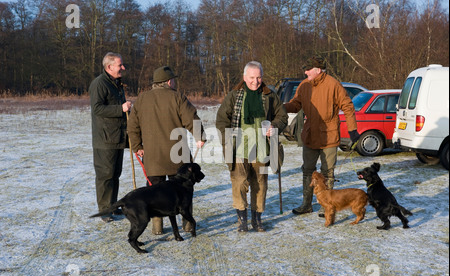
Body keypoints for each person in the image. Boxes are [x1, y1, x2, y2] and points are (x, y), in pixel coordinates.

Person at [127, 66, 206, 235]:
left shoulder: (141, 99)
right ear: (169, 81)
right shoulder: (177, 97)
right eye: (174, 79)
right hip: (178, 156)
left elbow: (132, 125)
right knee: (184, 190)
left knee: (154, 193)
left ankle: (157, 228)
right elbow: (191, 118)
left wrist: (137, 146)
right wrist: (200, 136)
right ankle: (188, 225)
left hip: (153, 157)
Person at [216, 61, 288, 232]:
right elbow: (221, 120)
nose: (255, 81)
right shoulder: (234, 96)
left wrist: (274, 127)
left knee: (260, 184)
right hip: (238, 149)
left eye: (259, 77)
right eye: (252, 78)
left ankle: (257, 219)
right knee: (239, 183)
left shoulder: (270, 95)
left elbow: (282, 116)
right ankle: (242, 220)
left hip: (261, 149)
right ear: (244, 77)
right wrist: (229, 139)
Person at [284, 56, 360, 216]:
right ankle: (306, 204)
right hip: (310, 136)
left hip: (329, 137)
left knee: (327, 172)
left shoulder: (333, 84)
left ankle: (326, 205)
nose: (305, 72)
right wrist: (281, 108)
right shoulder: (303, 85)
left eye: (308, 68)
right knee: (307, 171)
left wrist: (353, 130)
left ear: (318, 70)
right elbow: (295, 104)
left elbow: (347, 106)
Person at [89, 52, 132, 222]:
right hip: (105, 139)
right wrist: (120, 109)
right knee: (105, 176)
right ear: (109, 67)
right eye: (120, 65)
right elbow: (97, 108)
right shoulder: (99, 84)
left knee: (115, 174)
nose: (123, 68)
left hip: (117, 137)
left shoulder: (116, 83)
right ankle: (104, 211)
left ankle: (113, 207)